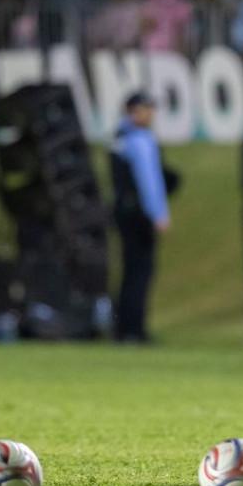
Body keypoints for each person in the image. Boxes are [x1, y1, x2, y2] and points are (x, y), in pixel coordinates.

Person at [110, 92, 171, 343]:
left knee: (129, 271)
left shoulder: (119, 138)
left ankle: (123, 327)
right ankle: (134, 328)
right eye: (147, 109)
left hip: (123, 212)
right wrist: (158, 214)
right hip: (139, 215)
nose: (151, 114)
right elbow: (149, 182)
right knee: (140, 272)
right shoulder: (141, 140)